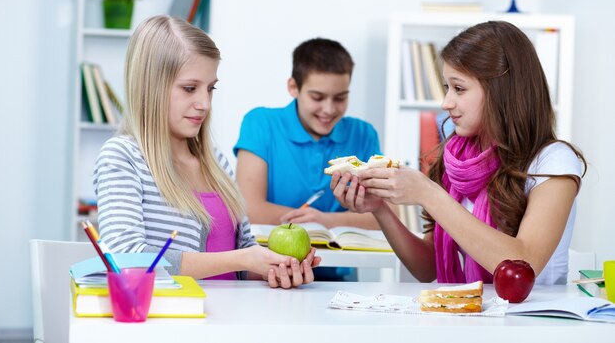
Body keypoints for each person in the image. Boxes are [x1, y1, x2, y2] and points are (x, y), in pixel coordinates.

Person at [331, 21, 586, 285]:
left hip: (532, 322)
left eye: (459, 88)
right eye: (446, 88)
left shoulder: (554, 161)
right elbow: (428, 268)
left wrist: (428, 194)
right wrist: (380, 209)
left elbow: (523, 266)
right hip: (470, 316)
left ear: (502, 90)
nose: (446, 103)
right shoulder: (456, 160)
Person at [93, 15, 319, 288]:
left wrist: (277, 268)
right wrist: (242, 259)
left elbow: (243, 255)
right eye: (190, 88)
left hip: (228, 320)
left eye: (210, 89)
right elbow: (126, 259)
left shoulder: (214, 161)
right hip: (174, 325)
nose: (204, 103)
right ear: (150, 87)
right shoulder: (122, 157)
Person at [234, 37, 381, 230]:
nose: (328, 109)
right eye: (317, 97)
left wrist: (325, 221)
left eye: (340, 98)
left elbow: (385, 215)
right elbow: (248, 209)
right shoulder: (260, 123)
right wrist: (315, 222)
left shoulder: (363, 133)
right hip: (275, 258)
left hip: (344, 259)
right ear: (293, 87)